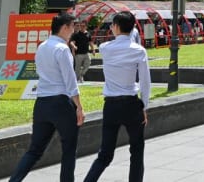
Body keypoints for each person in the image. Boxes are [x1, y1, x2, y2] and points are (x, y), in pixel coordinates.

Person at [9, 13, 84, 182]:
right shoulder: (62, 48)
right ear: (64, 27)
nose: (73, 30)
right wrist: (79, 106)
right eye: (72, 26)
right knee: (69, 149)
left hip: (42, 103)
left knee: (34, 150)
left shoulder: (42, 46)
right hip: (61, 103)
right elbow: (70, 80)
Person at [83, 11, 150, 182]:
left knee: (105, 154)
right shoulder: (139, 51)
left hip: (111, 105)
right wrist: (144, 106)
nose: (111, 28)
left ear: (117, 27)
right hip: (131, 103)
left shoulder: (105, 48)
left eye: (112, 25)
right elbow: (145, 81)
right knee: (137, 150)